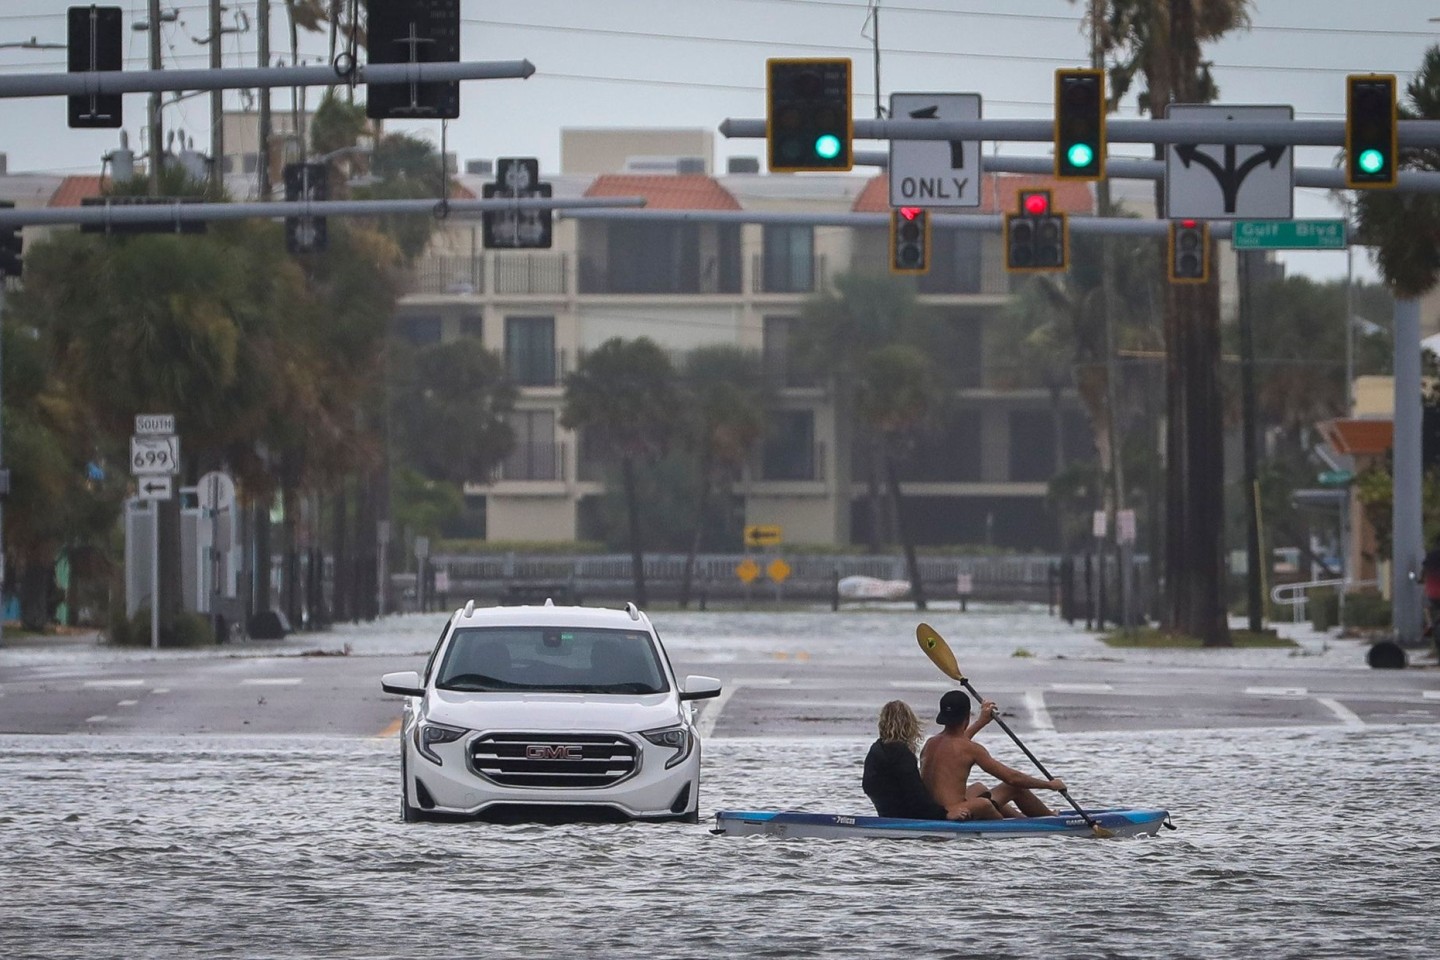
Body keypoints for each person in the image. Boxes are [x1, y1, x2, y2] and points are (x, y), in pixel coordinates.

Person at [920, 690, 1066, 821]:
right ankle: (1045, 820)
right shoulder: (971, 749)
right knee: (1014, 788)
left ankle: (1026, 819)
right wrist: (1049, 785)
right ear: (967, 717)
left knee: (979, 788)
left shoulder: (930, 743)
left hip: (935, 811)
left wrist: (981, 722)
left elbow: (958, 744)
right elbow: (1012, 778)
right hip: (955, 812)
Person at [862, 700, 956, 821]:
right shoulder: (901, 754)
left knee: (977, 789)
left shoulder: (875, 749)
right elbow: (916, 795)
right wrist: (944, 815)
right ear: (908, 724)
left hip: (887, 814)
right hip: (912, 816)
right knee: (981, 803)